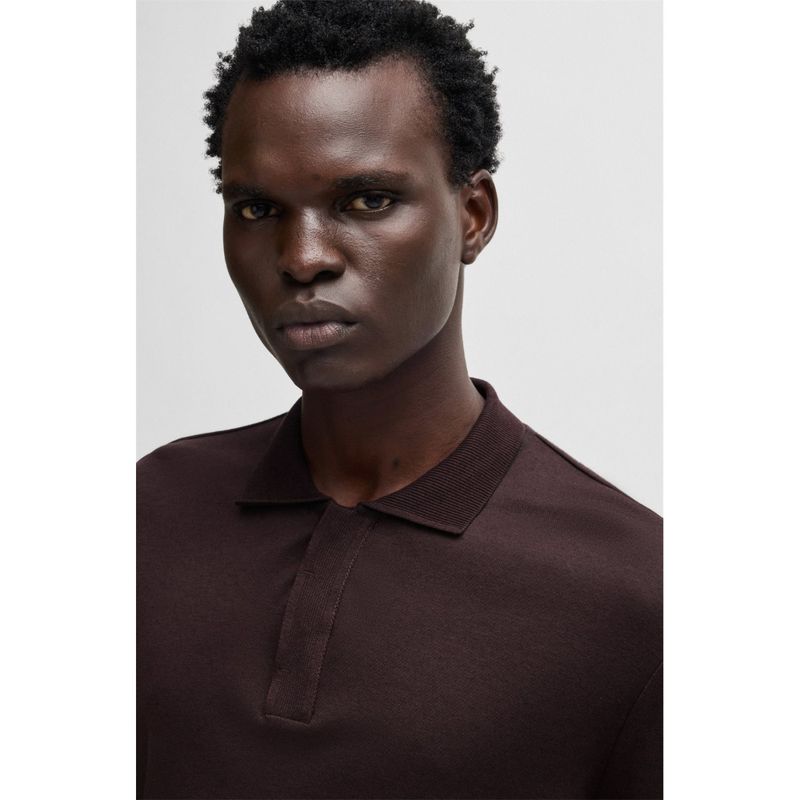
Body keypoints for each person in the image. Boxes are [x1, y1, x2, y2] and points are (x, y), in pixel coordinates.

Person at [137, 1, 662, 798]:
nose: (302, 257)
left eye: (367, 200)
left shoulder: (640, 597)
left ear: (473, 216)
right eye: (257, 209)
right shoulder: (142, 515)